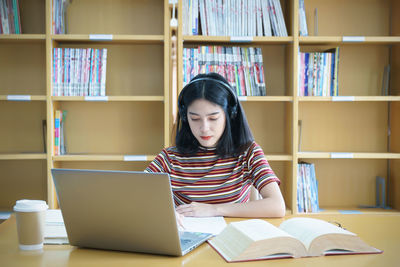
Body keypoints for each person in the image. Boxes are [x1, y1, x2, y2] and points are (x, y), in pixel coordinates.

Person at [145, 72, 285, 218]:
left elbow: (277, 206)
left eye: (213, 118)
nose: (204, 128)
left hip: (233, 236)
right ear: (185, 118)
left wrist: (214, 210)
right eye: (195, 119)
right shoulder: (170, 158)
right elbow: (134, 197)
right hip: (189, 238)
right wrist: (166, 213)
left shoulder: (248, 152)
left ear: (230, 114)